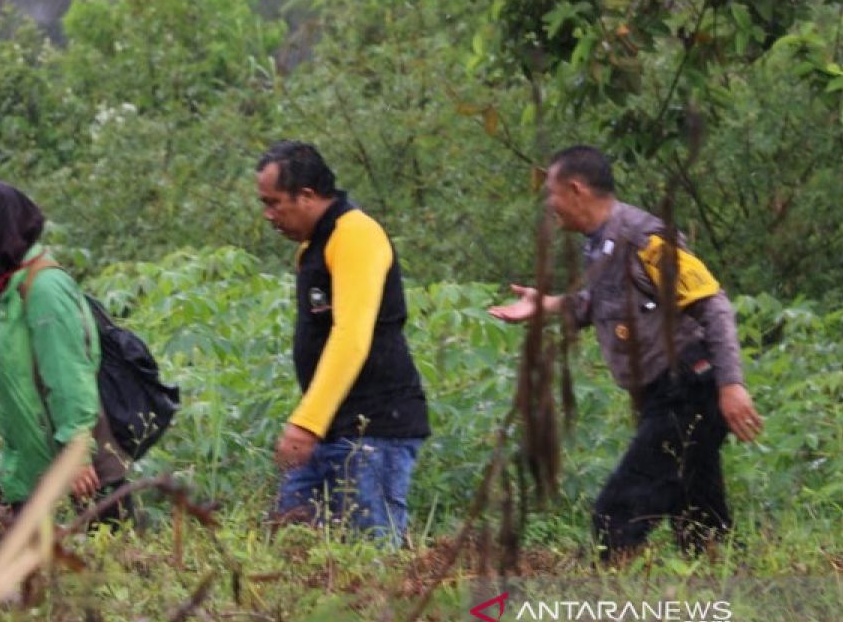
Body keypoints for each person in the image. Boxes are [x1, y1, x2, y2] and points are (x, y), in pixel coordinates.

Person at [488, 145, 764, 560]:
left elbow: (714, 305)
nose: (549, 205)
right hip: (664, 395)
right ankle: (728, 595)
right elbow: (598, 305)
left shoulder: (646, 240)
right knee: (699, 520)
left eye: (552, 193)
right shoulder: (600, 245)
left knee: (617, 514)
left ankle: (611, 601)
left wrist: (731, 385)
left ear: (576, 189)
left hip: (688, 389)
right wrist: (547, 304)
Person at [255, 141, 430, 545]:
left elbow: (352, 335)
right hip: (331, 430)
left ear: (307, 196)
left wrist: (306, 422)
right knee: (291, 543)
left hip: (374, 429)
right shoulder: (312, 248)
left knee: (370, 555)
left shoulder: (356, 235)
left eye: (274, 202)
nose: (268, 214)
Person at [0, 180, 132, 518]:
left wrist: (76, 454)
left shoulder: (43, 288)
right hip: (33, 474)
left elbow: (68, 374)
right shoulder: (9, 290)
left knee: (109, 567)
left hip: (79, 477)